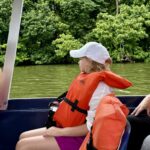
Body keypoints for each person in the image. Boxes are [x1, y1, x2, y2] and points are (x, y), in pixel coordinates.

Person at [16, 41, 132, 150]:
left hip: (82, 139)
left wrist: (59, 132)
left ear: (90, 61)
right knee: (23, 136)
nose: (78, 62)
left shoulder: (100, 89)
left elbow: (89, 128)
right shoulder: (87, 78)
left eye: (81, 58)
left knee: (23, 146)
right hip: (70, 129)